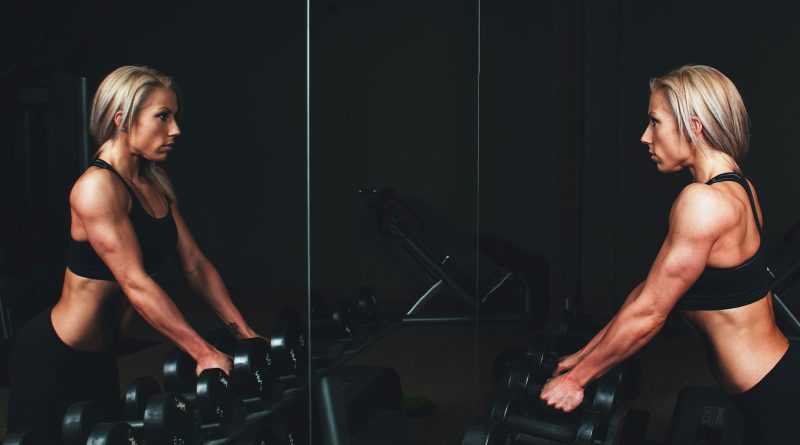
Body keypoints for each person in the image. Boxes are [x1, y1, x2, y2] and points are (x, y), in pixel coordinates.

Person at [540, 65, 797, 444]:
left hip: (775, 399)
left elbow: (651, 313)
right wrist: (584, 357)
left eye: (654, 122)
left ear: (693, 126)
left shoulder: (702, 203)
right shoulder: (741, 188)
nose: (645, 137)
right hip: (777, 382)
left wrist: (576, 382)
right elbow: (648, 293)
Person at [7, 65, 262, 438]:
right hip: (54, 356)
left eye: (174, 117)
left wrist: (245, 334)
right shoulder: (96, 188)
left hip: (101, 359)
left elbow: (195, 265)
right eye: (163, 116)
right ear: (122, 118)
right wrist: (203, 352)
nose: (175, 129)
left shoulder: (153, 182)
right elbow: (135, 283)